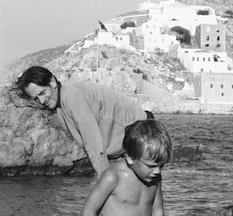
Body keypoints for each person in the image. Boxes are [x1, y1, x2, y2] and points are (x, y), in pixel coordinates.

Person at [17, 65, 151, 176]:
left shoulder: (72, 97)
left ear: (52, 82)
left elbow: (93, 142)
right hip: (131, 145)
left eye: (42, 93)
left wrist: (104, 180)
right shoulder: (62, 105)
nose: (41, 101)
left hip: (143, 136)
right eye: (36, 98)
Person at [81, 119, 172, 216]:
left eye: (161, 165)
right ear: (131, 158)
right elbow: (88, 211)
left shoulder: (155, 178)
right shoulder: (113, 177)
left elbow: (157, 211)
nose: (157, 171)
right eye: (151, 166)